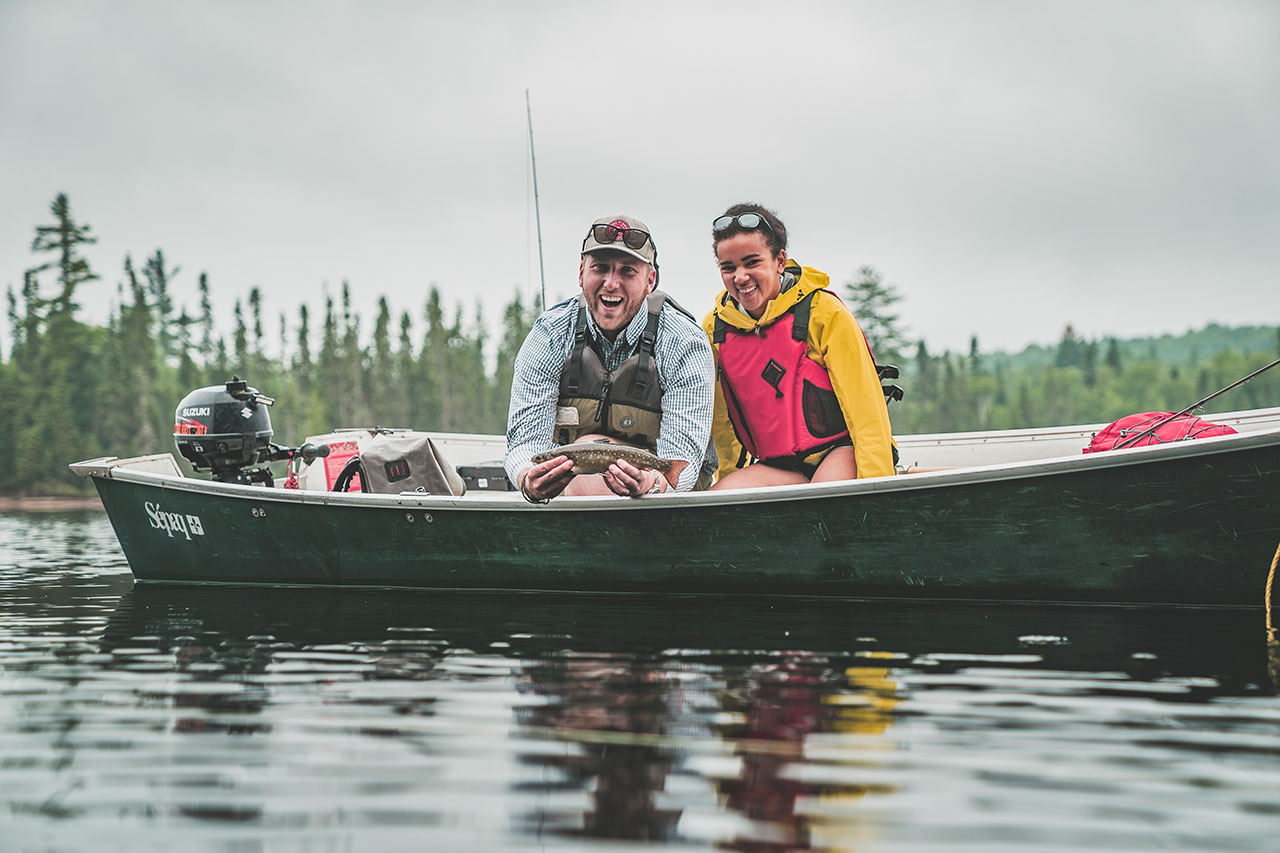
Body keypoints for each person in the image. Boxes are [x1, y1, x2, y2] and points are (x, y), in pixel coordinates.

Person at [506, 214, 717, 502]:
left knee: (588, 456)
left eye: (627, 271)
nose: (610, 283)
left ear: (650, 281)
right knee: (584, 457)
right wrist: (527, 481)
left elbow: (682, 462)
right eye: (600, 268)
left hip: (671, 501)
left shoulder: (684, 342)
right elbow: (524, 446)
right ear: (581, 273)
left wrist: (650, 483)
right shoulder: (550, 334)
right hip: (576, 492)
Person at [702, 203, 896, 490]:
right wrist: (730, 476)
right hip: (779, 466)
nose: (740, 277)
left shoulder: (824, 312)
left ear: (780, 261)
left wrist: (878, 487)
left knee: (817, 502)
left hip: (842, 451)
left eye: (752, 262)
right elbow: (723, 423)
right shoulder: (714, 328)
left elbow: (866, 411)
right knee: (721, 499)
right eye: (728, 267)